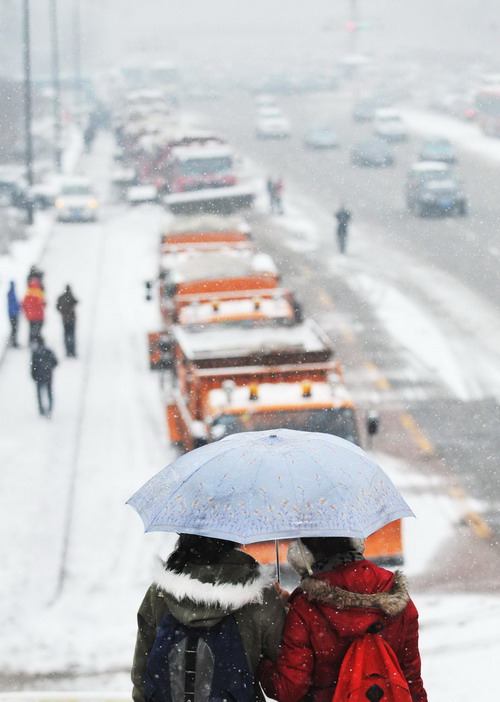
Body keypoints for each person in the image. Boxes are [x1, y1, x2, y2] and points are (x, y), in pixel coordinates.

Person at [260, 537, 427, 702]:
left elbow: (289, 688)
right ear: (355, 543)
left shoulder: (305, 608)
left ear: (303, 556)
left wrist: (261, 662)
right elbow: (412, 679)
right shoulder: (394, 593)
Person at [131, 533, 286, 702]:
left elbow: (141, 672)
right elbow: (287, 670)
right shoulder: (259, 594)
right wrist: (284, 607)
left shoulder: (160, 591)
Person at [30, 337, 58, 417]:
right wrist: (49, 367)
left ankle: (41, 409)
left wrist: (33, 375)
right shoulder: (48, 351)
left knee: (40, 393)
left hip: (39, 376)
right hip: (48, 375)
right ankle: (50, 408)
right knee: (49, 392)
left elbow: (33, 366)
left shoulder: (35, 353)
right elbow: (55, 362)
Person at [56, 284, 79, 357]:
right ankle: (72, 351)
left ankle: (68, 351)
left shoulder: (62, 297)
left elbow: (57, 307)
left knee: (66, 335)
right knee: (71, 335)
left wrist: (63, 313)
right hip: (72, 319)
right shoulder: (71, 296)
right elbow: (77, 302)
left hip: (65, 319)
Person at [22, 278, 46, 345]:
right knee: (38, 330)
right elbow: (43, 304)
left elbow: (24, 304)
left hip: (30, 316)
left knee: (31, 328)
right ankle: (37, 342)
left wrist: (27, 312)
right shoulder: (40, 292)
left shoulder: (28, 292)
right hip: (39, 316)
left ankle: (31, 341)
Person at [7, 281, 21, 348]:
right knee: (14, 328)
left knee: (14, 328)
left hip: (12, 313)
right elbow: (14, 303)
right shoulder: (12, 293)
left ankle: (13, 341)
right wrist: (18, 308)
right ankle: (13, 342)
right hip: (13, 313)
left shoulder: (11, 292)